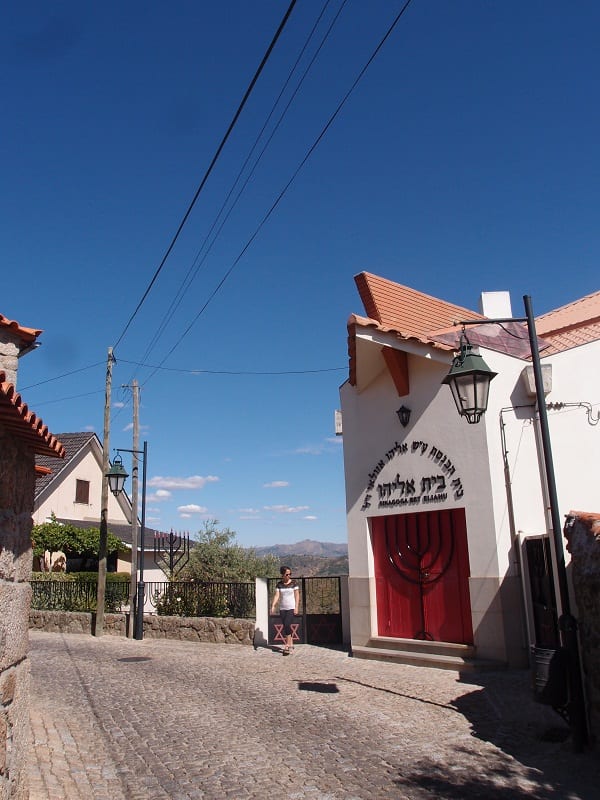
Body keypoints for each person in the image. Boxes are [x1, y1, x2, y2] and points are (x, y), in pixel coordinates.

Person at [270, 566, 299, 655]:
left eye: (290, 574)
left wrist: (296, 607)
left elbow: (297, 596)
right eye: (287, 574)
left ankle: (287, 645)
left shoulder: (294, 583)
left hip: (291, 607)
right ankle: (291, 643)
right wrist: (273, 605)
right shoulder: (279, 584)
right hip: (283, 608)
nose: (289, 576)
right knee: (286, 626)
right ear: (282, 575)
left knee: (287, 624)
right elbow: (277, 596)